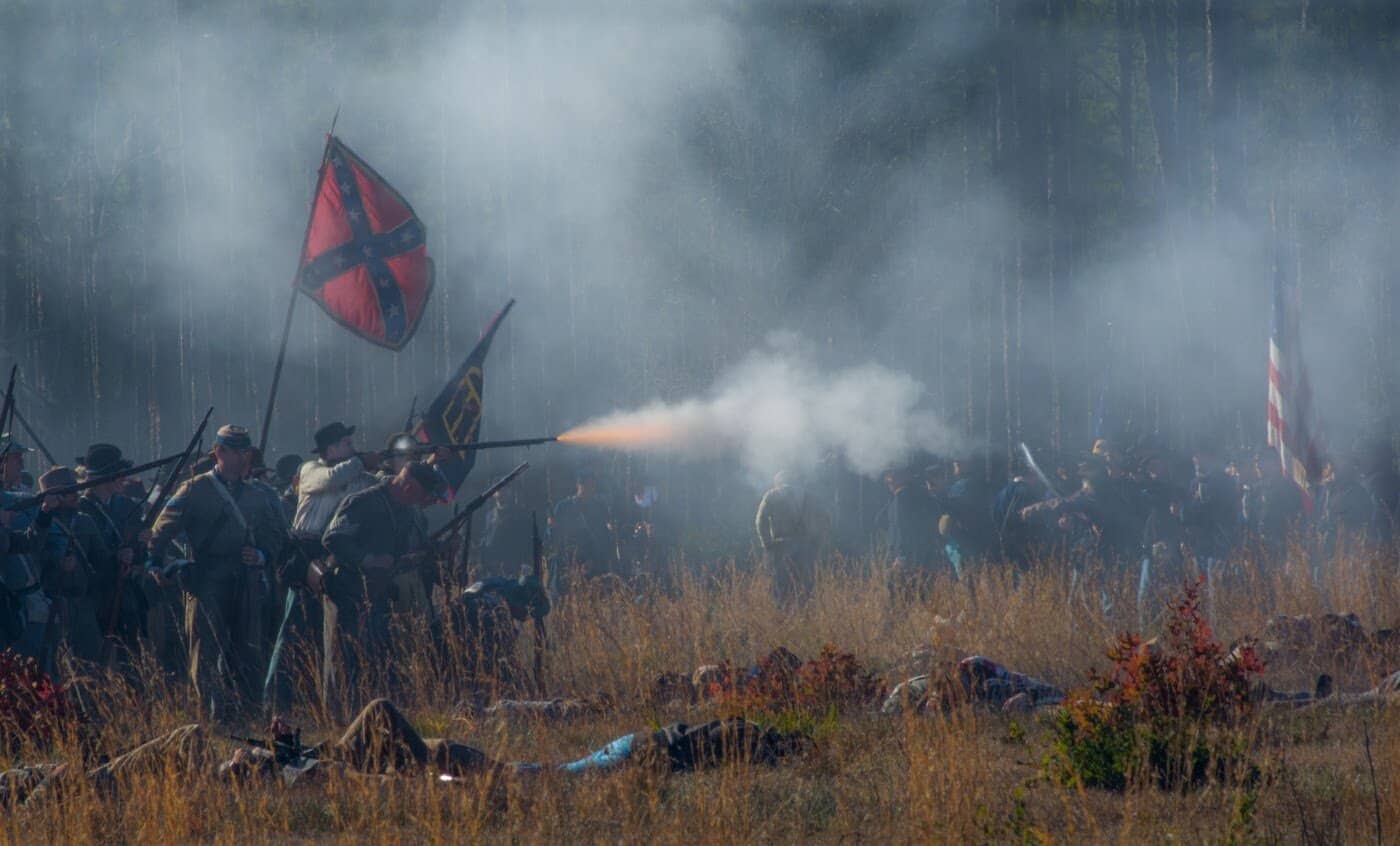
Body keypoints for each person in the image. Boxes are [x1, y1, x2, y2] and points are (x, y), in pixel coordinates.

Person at [145, 425, 287, 721]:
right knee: (205, 652)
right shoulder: (195, 488)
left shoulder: (257, 494)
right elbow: (162, 528)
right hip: (207, 578)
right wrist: (155, 563)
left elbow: (275, 535)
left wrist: (262, 554)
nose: (242, 457)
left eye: (244, 451)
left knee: (248, 650)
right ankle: (209, 719)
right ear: (219, 452)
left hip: (245, 580)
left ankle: (248, 717)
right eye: (235, 451)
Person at [319, 461, 445, 716]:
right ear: (409, 487)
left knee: (381, 659)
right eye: (421, 495)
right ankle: (338, 718)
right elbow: (333, 539)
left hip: (385, 596)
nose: (423, 502)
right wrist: (367, 559)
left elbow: (411, 549)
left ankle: (374, 716)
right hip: (349, 591)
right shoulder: (362, 502)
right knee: (344, 659)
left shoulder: (409, 513)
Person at [28, 467, 106, 668]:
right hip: (54, 604)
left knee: (90, 664)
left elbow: (103, 560)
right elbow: (33, 555)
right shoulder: (40, 523)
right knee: (57, 665)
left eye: (75, 490)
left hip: (84, 603)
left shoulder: (84, 521)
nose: (76, 495)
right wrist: (57, 562)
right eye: (69, 491)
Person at [75, 444, 145, 658]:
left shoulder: (127, 506)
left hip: (124, 593)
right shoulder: (81, 509)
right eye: (118, 474)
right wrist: (116, 558)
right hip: (96, 596)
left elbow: (140, 552)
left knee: (130, 659)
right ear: (107, 477)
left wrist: (138, 548)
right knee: (95, 661)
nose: (123, 479)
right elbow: (84, 558)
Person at [0, 435, 49, 661]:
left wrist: (46, 513)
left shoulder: (15, 498)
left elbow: (25, 543)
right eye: (15, 458)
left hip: (16, 603)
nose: (21, 463)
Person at [549, 468, 617, 589]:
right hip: (568, 562)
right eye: (587, 485)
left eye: (593, 485)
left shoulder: (600, 507)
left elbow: (604, 538)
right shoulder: (564, 507)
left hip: (594, 563)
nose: (591, 489)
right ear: (579, 485)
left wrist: (593, 560)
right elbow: (554, 536)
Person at [754, 472, 818, 599]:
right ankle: (805, 614)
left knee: (779, 584)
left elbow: (760, 521)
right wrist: (815, 544)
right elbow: (821, 520)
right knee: (805, 585)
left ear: (777, 481)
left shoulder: (772, 495)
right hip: (804, 546)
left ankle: (781, 614)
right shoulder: (808, 496)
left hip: (780, 546)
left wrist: (767, 543)